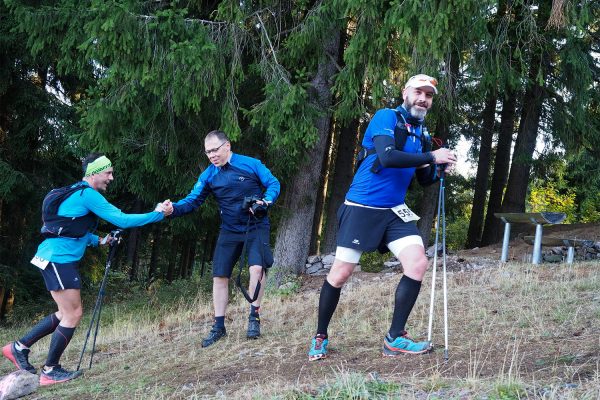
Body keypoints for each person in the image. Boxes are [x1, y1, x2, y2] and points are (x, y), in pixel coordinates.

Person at [307, 74, 457, 361]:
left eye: (429, 95)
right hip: (362, 207)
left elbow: (425, 177)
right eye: (418, 93)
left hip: (394, 211)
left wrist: (440, 167)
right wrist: (431, 157)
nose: (423, 99)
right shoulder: (386, 117)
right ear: (405, 93)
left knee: (417, 262)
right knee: (340, 274)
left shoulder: (422, 134)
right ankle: (320, 336)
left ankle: (395, 338)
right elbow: (387, 157)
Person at [2, 153, 169, 385]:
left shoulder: (74, 192)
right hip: (58, 258)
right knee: (73, 314)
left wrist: (100, 241)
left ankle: (18, 348)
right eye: (107, 172)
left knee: (64, 313)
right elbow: (122, 220)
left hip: (52, 256)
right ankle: (50, 371)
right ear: (93, 173)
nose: (111, 177)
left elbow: (70, 227)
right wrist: (158, 213)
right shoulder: (87, 194)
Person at [161, 130, 280, 348]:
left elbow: (273, 183)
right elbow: (192, 201)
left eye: (215, 150)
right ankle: (219, 327)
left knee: (256, 269)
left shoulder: (251, 164)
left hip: (255, 226)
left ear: (227, 146)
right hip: (229, 230)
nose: (212, 155)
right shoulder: (209, 175)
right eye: (208, 152)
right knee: (219, 276)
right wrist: (172, 209)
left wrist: (265, 201)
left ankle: (254, 317)